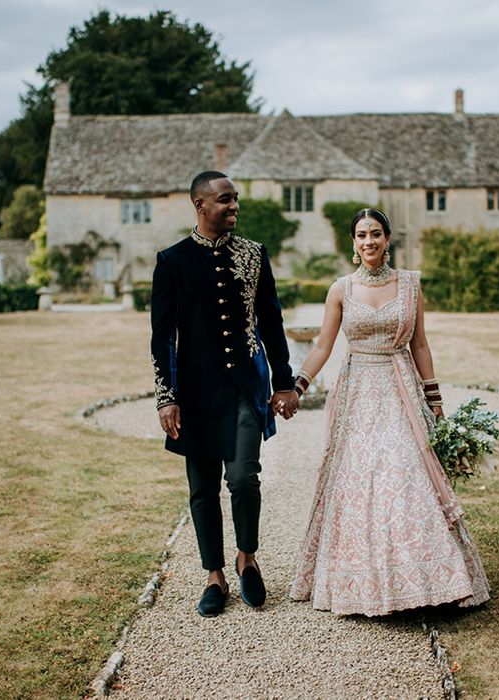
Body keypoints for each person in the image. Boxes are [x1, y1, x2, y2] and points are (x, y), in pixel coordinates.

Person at [289, 208, 490, 616]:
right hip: (358, 391)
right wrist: (299, 384)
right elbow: (324, 346)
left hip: (400, 388)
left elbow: (419, 345)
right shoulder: (341, 289)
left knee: (404, 472)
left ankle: (431, 580)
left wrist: (434, 400)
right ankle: (363, 582)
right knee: (360, 478)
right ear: (353, 243)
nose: (369, 241)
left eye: (376, 233)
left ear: (388, 239)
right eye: (361, 235)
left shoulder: (410, 285)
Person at [151, 170, 299, 617]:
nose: (234, 207)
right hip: (194, 395)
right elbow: (163, 337)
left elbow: (271, 322)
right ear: (200, 205)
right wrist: (166, 395)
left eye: (235, 200)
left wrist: (284, 382)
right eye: (225, 200)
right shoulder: (172, 261)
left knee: (242, 479)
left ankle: (247, 558)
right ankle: (213, 574)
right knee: (201, 490)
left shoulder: (254, 255)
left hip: (244, 389)